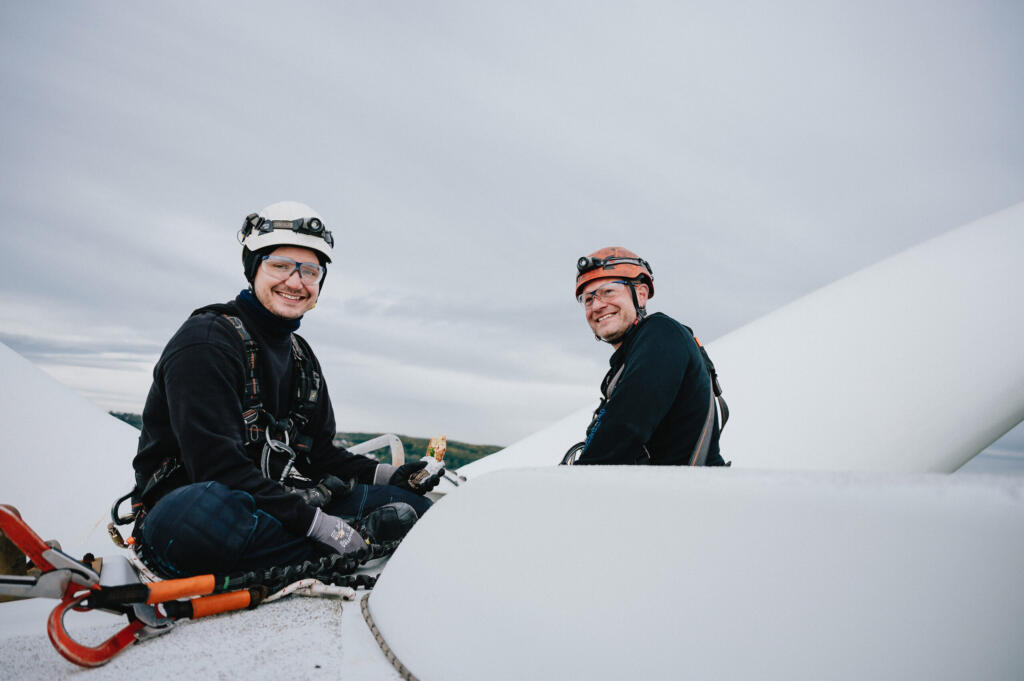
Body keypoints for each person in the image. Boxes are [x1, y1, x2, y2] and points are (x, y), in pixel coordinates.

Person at [127, 201, 444, 578]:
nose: (295, 282)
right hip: (205, 510)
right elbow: (215, 468)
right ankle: (338, 547)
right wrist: (320, 526)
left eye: (310, 271)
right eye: (280, 265)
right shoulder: (207, 343)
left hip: (285, 503)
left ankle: (325, 550)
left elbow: (320, 453)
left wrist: (390, 476)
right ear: (253, 269)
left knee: (419, 510)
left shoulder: (300, 357)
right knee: (199, 515)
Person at [567, 247, 727, 466]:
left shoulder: (662, 335)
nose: (597, 305)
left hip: (690, 494)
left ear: (641, 294)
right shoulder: (631, 358)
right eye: (588, 299)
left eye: (608, 292)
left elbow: (622, 429)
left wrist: (576, 480)